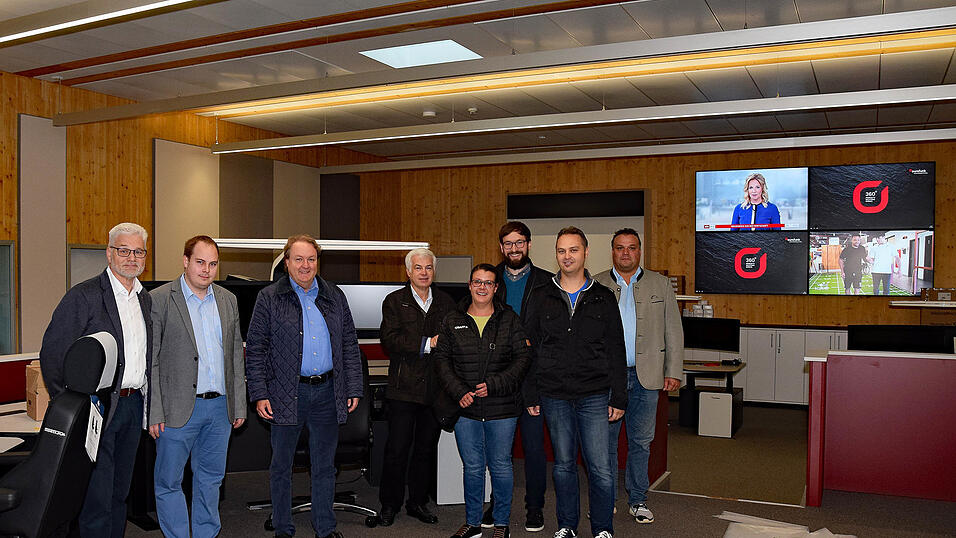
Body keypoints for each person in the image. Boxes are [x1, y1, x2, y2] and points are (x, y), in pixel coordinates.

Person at [245, 234, 363, 538]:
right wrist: (259, 393)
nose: (305, 265)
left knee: (324, 466)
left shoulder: (334, 295)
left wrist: (353, 387)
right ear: (286, 262)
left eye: (311, 259)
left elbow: (349, 343)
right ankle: (283, 528)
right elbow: (256, 349)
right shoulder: (269, 297)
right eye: (298, 259)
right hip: (285, 393)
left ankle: (325, 528)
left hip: (327, 391)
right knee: (281, 466)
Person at [39, 222, 152, 538]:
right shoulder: (85, 296)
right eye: (124, 250)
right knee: (96, 499)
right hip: (98, 409)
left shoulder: (145, 300)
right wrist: (74, 406)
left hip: (133, 405)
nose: (131, 258)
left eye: (138, 251)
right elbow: (52, 353)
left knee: (120, 494)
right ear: (109, 253)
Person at [524, 227, 627, 538]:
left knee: (601, 469)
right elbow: (529, 346)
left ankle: (602, 528)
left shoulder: (603, 297)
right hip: (554, 394)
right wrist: (530, 393)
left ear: (585, 252)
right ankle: (566, 525)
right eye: (561, 251)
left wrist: (619, 397)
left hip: (595, 394)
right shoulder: (541, 295)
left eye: (573, 250)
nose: (566, 256)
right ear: (556, 254)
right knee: (564, 465)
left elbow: (616, 349)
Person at [148, 235, 246, 538]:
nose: (206, 269)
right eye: (200, 262)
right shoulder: (161, 299)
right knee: (169, 482)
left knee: (211, 479)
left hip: (220, 408)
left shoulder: (228, 300)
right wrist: (153, 412)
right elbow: (151, 360)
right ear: (185, 261)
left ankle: (206, 533)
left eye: (213, 263)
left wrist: (238, 404)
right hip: (176, 409)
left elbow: (235, 356)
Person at [434, 264, 531, 538]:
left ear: (496, 288)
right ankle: (473, 523)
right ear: (469, 284)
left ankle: (501, 524)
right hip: (466, 407)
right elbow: (441, 360)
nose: (482, 287)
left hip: (502, 407)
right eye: (478, 282)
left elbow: (523, 359)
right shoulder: (453, 319)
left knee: (500, 465)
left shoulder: (509, 319)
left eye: (488, 283)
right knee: (473, 467)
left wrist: (495, 385)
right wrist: (458, 391)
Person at [593, 229, 683, 525]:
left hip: (648, 378)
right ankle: (606, 500)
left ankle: (638, 500)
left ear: (640, 251)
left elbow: (673, 329)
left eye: (632, 248)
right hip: (608, 379)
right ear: (613, 252)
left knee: (641, 442)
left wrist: (673, 371)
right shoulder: (597, 284)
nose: (626, 253)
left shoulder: (659, 284)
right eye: (620, 248)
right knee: (604, 443)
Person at [377, 248, 455, 526]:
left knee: (425, 450)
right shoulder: (394, 301)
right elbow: (389, 339)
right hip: (403, 389)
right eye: (418, 268)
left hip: (435, 391)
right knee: (397, 450)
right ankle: (389, 504)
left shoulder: (446, 303)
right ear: (408, 272)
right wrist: (427, 343)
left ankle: (417, 503)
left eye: (429, 268)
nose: (424, 273)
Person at [486, 221, 553, 532]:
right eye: (508, 243)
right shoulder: (489, 280)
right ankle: (497, 506)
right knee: (498, 453)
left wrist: (537, 387)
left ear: (528, 244)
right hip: (497, 380)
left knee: (534, 449)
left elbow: (551, 337)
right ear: (501, 247)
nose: (514, 248)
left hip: (532, 380)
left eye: (520, 242)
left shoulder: (547, 283)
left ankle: (535, 507)